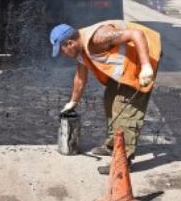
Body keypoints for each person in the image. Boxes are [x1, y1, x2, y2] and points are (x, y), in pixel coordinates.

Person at [50, 20, 161, 161]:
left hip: (144, 55)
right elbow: (80, 77)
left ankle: (122, 160)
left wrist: (146, 66)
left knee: (124, 108)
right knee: (109, 99)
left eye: (62, 50)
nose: (63, 55)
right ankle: (112, 146)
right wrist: (73, 102)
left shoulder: (98, 37)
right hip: (128, 65)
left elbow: (136, 34)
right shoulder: (80, 47)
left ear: (70, 43)